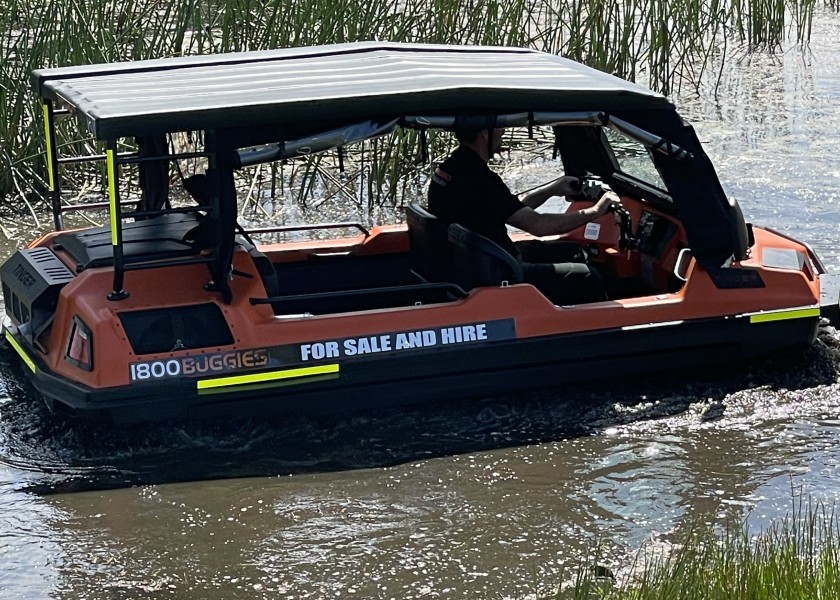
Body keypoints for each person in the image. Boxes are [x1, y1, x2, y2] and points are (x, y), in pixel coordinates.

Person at [427, 126, 620, 304]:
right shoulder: (480, 179)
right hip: (500, 273)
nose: (502, 132)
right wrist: (597, 210)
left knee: (573, 251)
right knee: (589, 277)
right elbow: (540, 226)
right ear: (484, 133)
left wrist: (552, 189)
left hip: (480, 263)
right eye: (498, 127)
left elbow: (510, 210)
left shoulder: (452, 168)